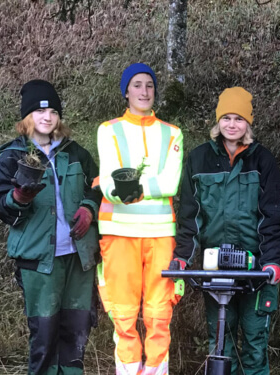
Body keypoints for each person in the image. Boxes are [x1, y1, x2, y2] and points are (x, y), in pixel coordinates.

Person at [171, 87, 280, 375]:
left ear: (248, 122)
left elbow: (272, 217)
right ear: (217, 121)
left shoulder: (263, 161)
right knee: (220, 343)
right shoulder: (199, 160)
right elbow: (189, 216)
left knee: (254, 343)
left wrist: (272, 261)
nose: (232, 124)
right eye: (226, 118)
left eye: (238, 118)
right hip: (215, 269)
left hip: (255, 270)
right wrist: (182, 257)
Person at [0, 80, 100, 375]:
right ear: (28, 117)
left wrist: (89, 210)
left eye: (52, 110)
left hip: (79, 259)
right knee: (44, 337)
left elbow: (98, 188)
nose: (47, 117)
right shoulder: (11, 156)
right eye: (40, 112)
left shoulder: (77, 154)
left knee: (76, 337)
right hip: (39, 262)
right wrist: (18, 198)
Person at [95, 63, 184, 375]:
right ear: (126, 91)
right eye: (136, 85)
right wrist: (120, 192)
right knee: (123, 315)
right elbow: (108, 180)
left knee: (159, 316)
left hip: (161, 234)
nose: (144, 91)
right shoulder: (109, 130)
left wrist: (133, 188)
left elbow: (171, 183)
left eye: (149, 85)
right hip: (118, 233)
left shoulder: (172, 133)